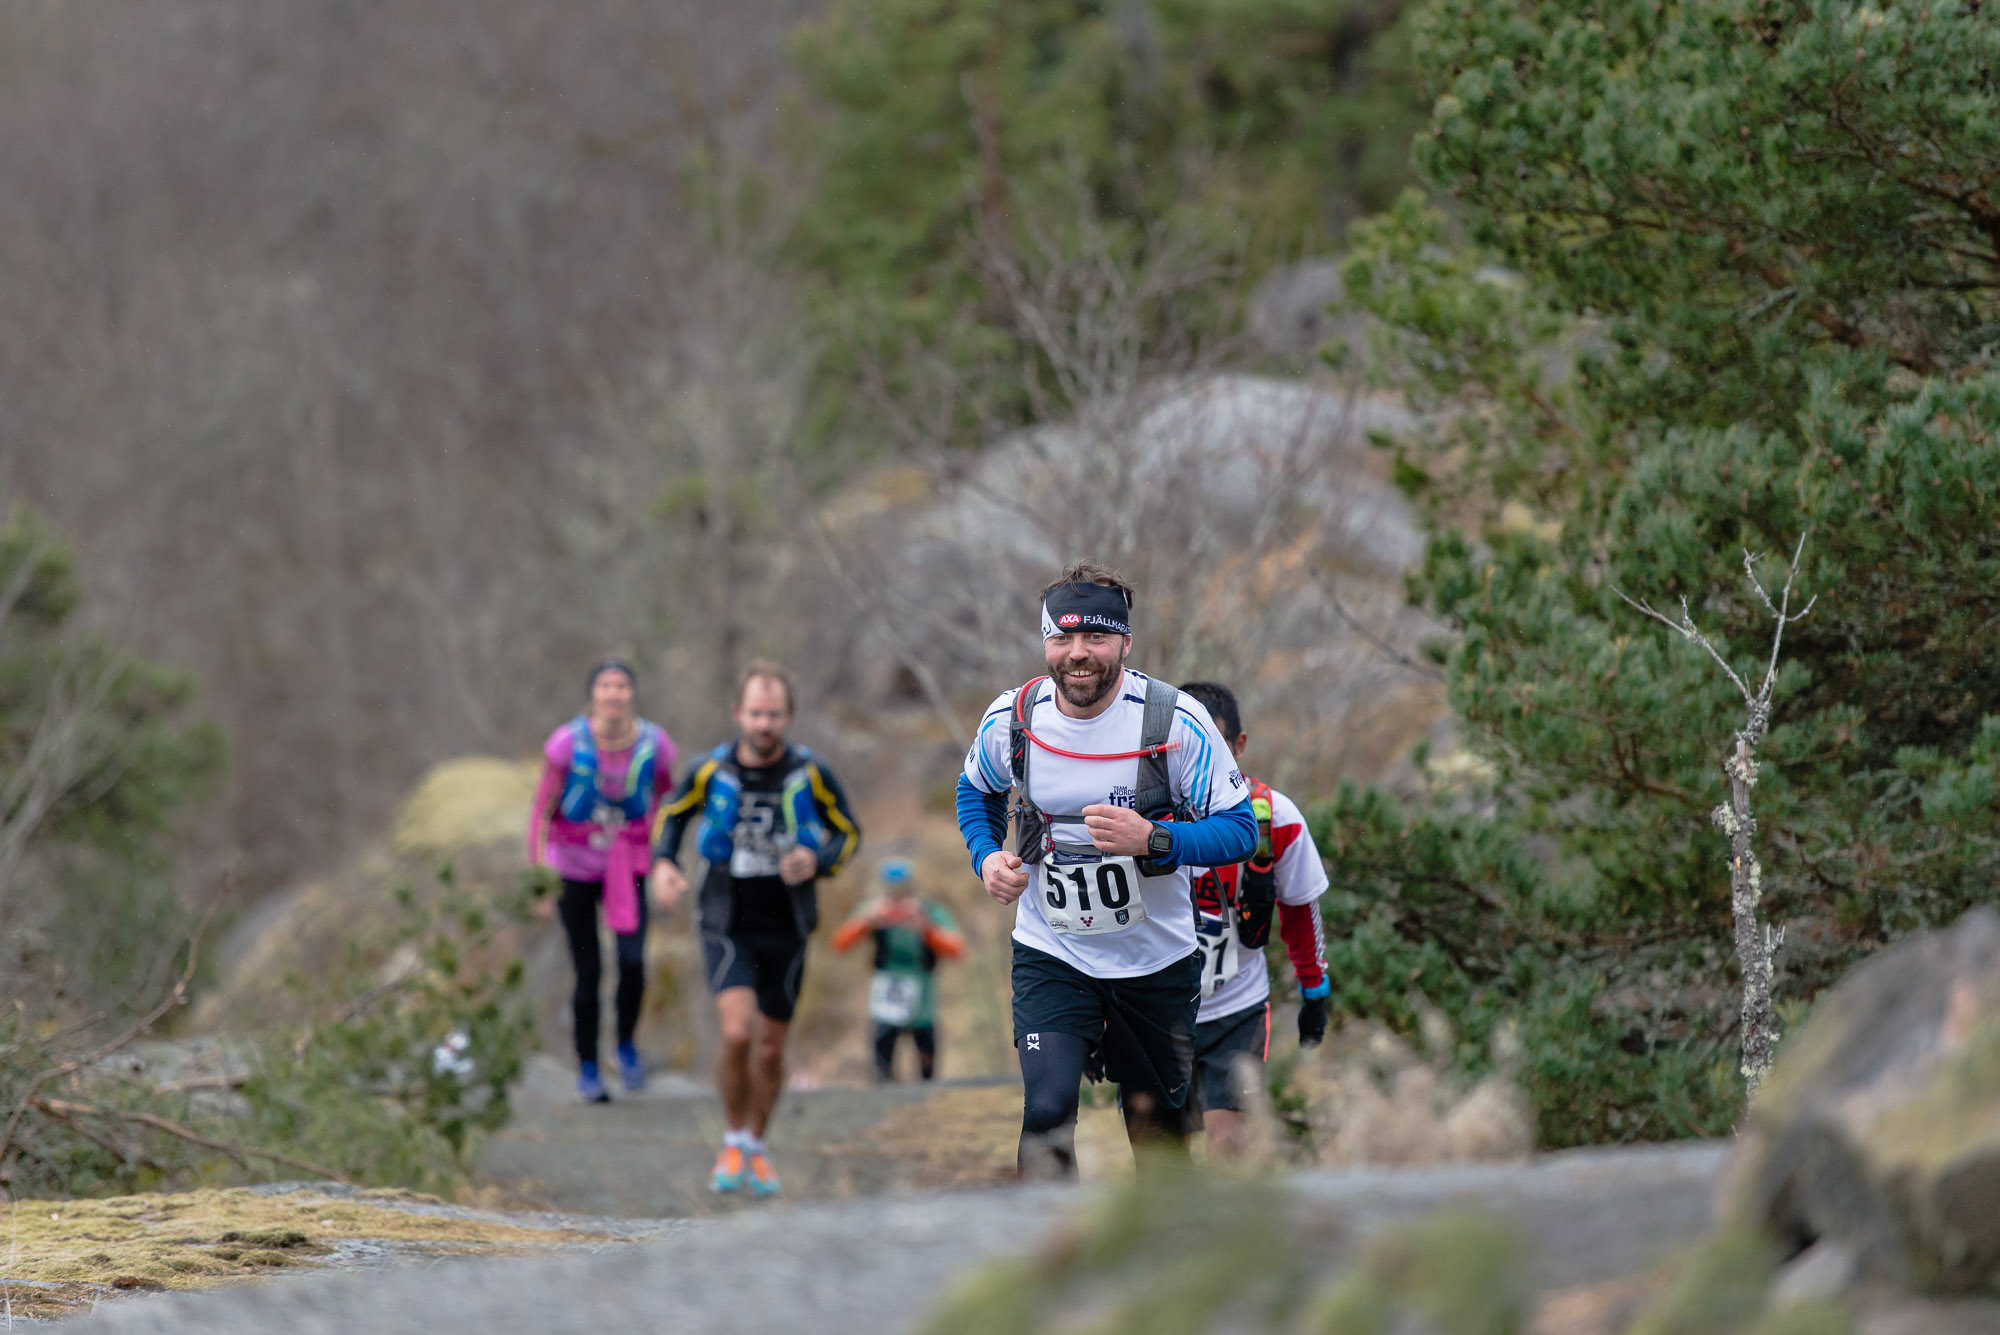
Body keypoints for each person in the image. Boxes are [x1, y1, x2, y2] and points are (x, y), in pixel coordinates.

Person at [956, 562, 1258, 1179]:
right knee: (1046, 1111)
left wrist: (1156, 839)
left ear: (1125, 643)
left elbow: (1240, 830)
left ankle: (1158, 1239)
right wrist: (985, 855)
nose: (1078, 654)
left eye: (1095, 637)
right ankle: (1050, 1237)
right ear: (1046, 643)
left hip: (1156, 961)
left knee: (1159, 1138)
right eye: (1063, 637)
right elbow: (976, 789)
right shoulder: (1013, 718)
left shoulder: (1174, 722)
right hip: (1052, 949)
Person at [649, 660, 860, 1196]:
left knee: (769, 1048)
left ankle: (757, 1146)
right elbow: (671, 817)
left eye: (773, 715)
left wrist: (819, 862)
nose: (764, 724)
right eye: (755, 713)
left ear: (789, 716)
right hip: (726, 919)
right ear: (737, 713)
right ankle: (732, 1139)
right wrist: (665, 864)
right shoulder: (709, 770)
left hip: (788, 923)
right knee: (737, 1033)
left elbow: (849, 833)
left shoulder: (811, 772)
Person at [1175, 681, 1331, 1156]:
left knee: (1230, 1148)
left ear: (1239, 746)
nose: (1202, 762)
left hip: (1236, 1007)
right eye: (1187, 747)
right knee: (1161, 1155)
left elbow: (1300, 910)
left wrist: (1314, 991)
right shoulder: (1137, 817)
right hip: (1156, 1007)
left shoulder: (1277, 818)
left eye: (1215, 746)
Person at [528, 659, 678, 1103]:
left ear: (633, 693)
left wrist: (666, 860)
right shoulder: (566, 744)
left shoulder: (655, 745)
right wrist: (538, 875)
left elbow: (668, 803)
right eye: (606, 686)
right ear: (593, 694)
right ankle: (589, 1067)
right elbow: (542, 809)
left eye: (622, 686)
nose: (614, 694)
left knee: (632, 961)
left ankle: (626, 1045)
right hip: (573, 866)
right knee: (588, 969)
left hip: (628, 864)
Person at [831, 858, 966, 1082]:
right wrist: (866, 922)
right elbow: (839, 944)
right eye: (892, 892)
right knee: (883, 1053)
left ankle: (927, 1091)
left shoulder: (928, 910)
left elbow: (957, 949)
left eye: (902, 891)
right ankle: (885, 1088)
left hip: (922, 990)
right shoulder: (873, 909)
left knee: (926, 1052)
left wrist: (925, 927)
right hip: (886, 990)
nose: (897, 898)